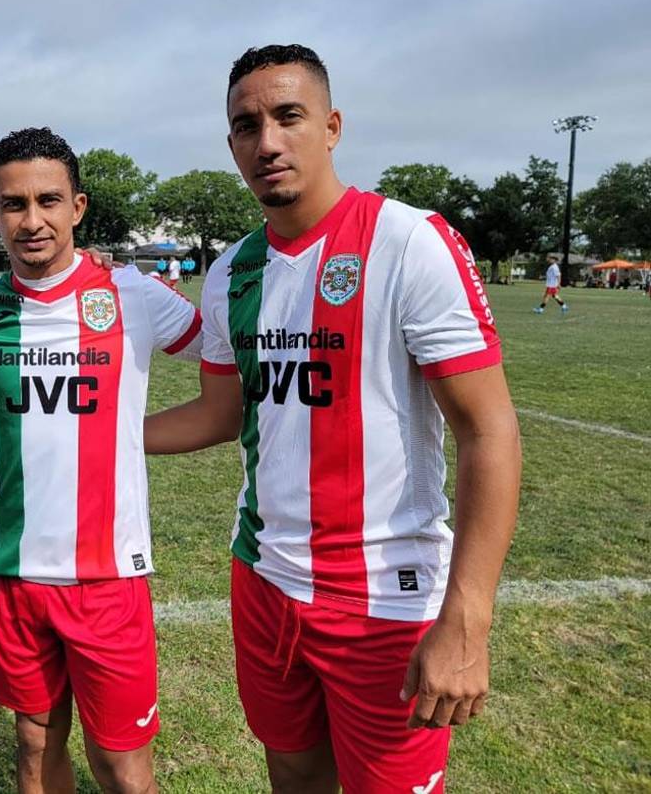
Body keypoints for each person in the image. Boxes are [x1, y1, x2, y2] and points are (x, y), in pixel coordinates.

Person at [144, 44, 521, 793]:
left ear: (332, 125)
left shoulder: (408, 241)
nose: (269, 141)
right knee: (291, 771)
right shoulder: (232, 272)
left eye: (289, 116)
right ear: (232, 145)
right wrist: (98, 436)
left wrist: (467, 621)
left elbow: (490, 433)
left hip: (383, 597)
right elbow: (222, 414)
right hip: (263, 577)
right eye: (247, 125)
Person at [0, 128, 202, 794]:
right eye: (14, 204)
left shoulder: (131, 295)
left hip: (107, 578)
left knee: (123, 767)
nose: (32, 219)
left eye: (49, 200)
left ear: (78, 206)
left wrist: (129, 435)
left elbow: (229, 354)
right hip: (12, 573)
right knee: (34, 743)